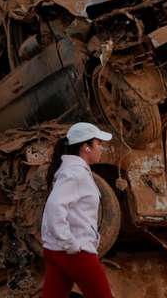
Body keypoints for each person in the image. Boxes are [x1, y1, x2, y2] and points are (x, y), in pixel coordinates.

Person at [40, 122, 114, 298]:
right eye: (98, 143)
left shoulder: (73, 171)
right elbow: (54, 206)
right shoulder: (75, 173)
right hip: (75, 252)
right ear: (85, 147)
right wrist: (70, 243)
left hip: (57, 250)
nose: (101, 148)